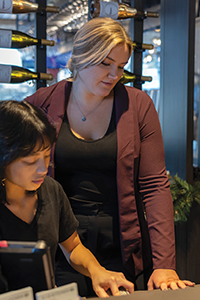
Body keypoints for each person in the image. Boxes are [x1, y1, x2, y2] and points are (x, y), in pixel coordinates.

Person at [25, 17, 195, 296]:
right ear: (79, 57)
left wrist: (164, 264)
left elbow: (154, 185)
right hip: (59, 242)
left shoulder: (138, 106)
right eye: (105, 63)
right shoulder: (41, 103)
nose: (114, 75)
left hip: (120, 242)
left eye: (121, 67)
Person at [0, 100, 134, 297]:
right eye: (30, 161)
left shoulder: (51, 190)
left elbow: (73, 247)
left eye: (46, 156)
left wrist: (97, 271)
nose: (42, 169)